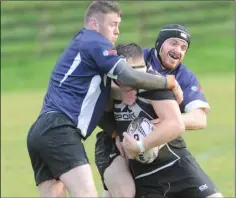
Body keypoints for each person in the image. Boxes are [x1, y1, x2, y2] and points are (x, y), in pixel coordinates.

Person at [26, 1, 177, 198]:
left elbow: (92, 97)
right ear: (94, 24)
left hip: (39, 133)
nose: (117, 31)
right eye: (113, 24)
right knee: (86, 194)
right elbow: (129, 76)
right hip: (59, 130)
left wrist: (116, 100)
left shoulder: (81, 43)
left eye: (119, 25)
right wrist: (168, 82)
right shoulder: (95, 42)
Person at [95, 24, 223, 198]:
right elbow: (103, 83)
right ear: (159, 44)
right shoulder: (137, 57)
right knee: (122, 191)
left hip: (155, 141)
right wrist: (115, 127)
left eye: (183, 47)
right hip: (116, 136)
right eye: (173, 43)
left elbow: (200, 119)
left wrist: (167, 120)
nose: (178, 50)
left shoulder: (184, 76)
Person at [95, 42, 185, 198]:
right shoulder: (103, 80)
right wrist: (115, 133)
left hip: (136, 141)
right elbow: (94, 113)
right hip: (110, 143)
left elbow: (186, 121)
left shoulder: (151, 83)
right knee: (125, 193)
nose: (131, 82)